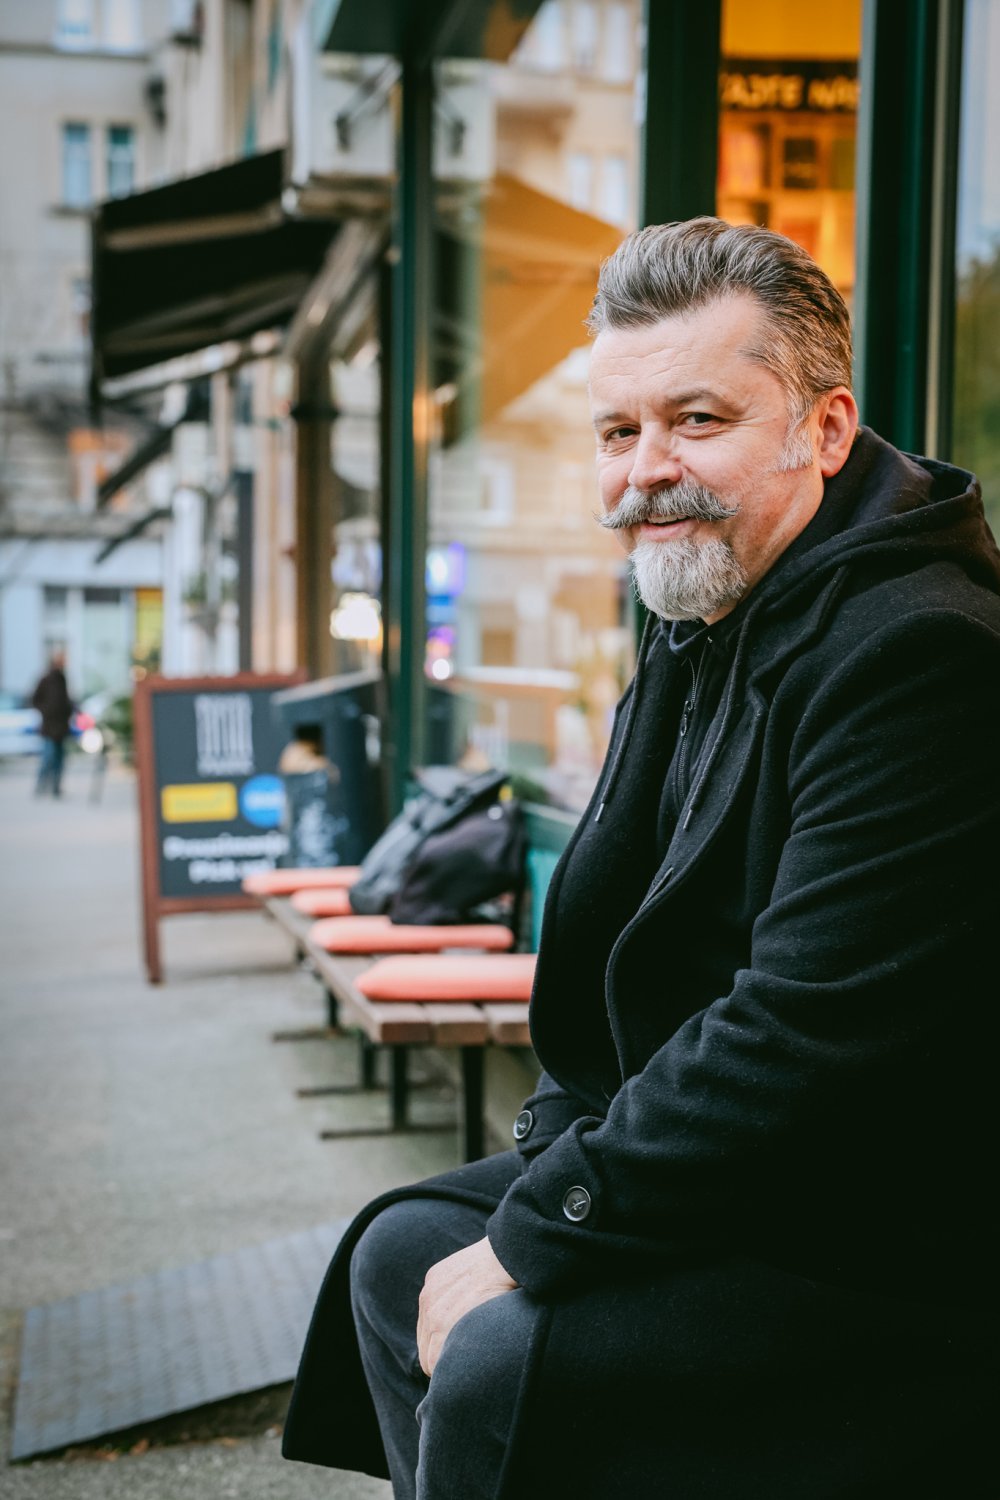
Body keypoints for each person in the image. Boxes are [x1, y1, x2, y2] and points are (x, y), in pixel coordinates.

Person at [282, 220, 1000, 1497]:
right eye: (618, 433)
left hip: (886, 1243)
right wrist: (562, 1155)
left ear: (825, 431)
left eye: (697, 421)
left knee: (501, 1351)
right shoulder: (708, 607)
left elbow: (803, 1032)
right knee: (397, 1252)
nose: (647, 471)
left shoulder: (920, 653)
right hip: (750, 1185)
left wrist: (543, 1226)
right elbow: (615, 950)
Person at [32, 649, 74, 797]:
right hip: (49, 726)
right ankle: (40, 786)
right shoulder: (46, 679)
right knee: (48, 757)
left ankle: (56, 787)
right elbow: (35, 699)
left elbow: (65, 700)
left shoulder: (62, 679)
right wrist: (46, 711)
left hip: (61, 726)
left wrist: (69, 710)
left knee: (59, 760)